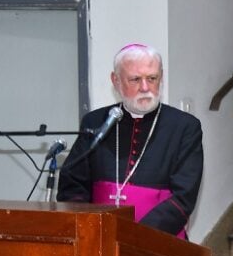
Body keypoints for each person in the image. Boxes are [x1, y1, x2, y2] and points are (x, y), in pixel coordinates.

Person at [57, 43, 203, 238]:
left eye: (152, 78)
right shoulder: (96, 122)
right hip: (98, 237)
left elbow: (184, 196)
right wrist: (88, 225)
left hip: (159, 239)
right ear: (115, 81)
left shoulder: (185, 127)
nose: (145, 88)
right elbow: (73, 182)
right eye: (135, 79)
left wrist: (136, 234)